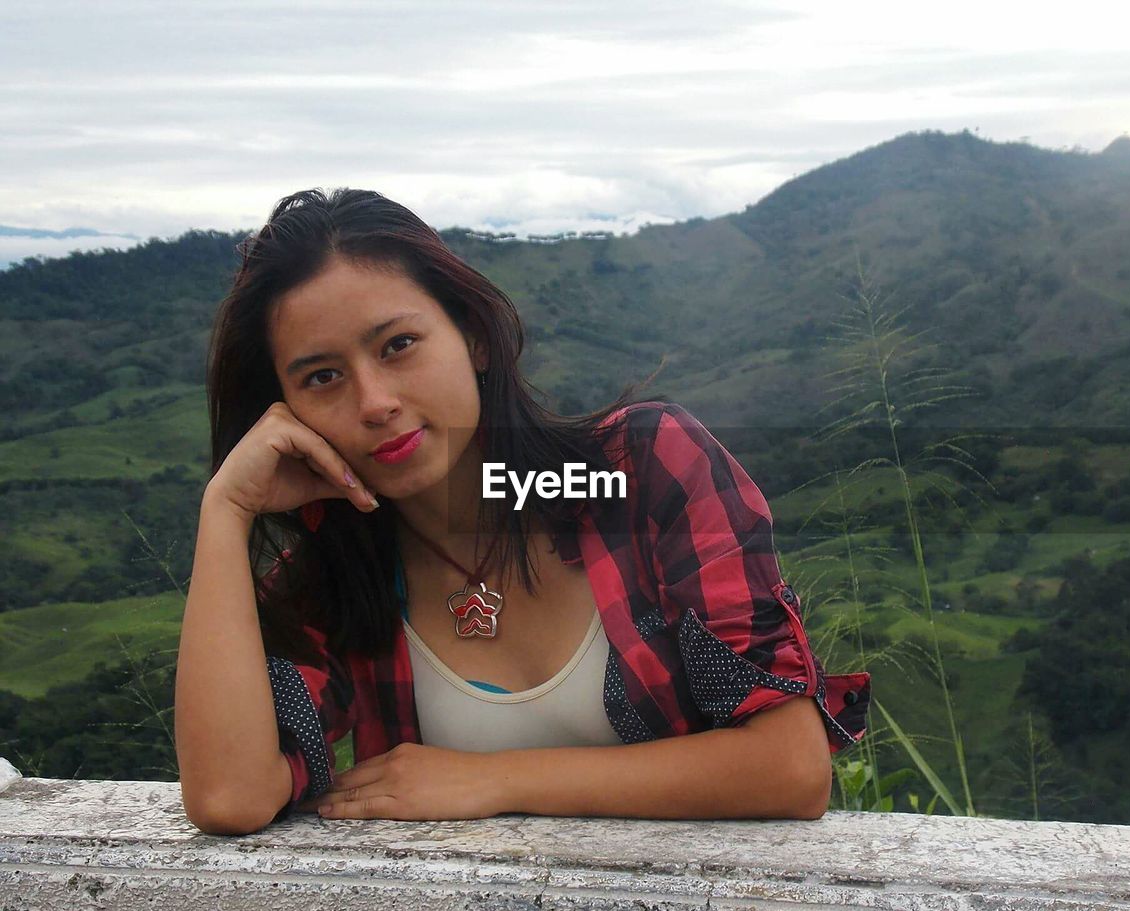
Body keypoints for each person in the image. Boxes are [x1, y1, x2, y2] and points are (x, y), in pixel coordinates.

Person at [174, 187, 870, 836]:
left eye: (398, 346)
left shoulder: (642, 472)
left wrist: (492, 779)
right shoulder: (332, 577)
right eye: (322, 377)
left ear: (473, 338)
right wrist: (226, 510)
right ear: (286, 409)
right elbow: (230, 796)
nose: (374, 401)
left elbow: (790, 767)